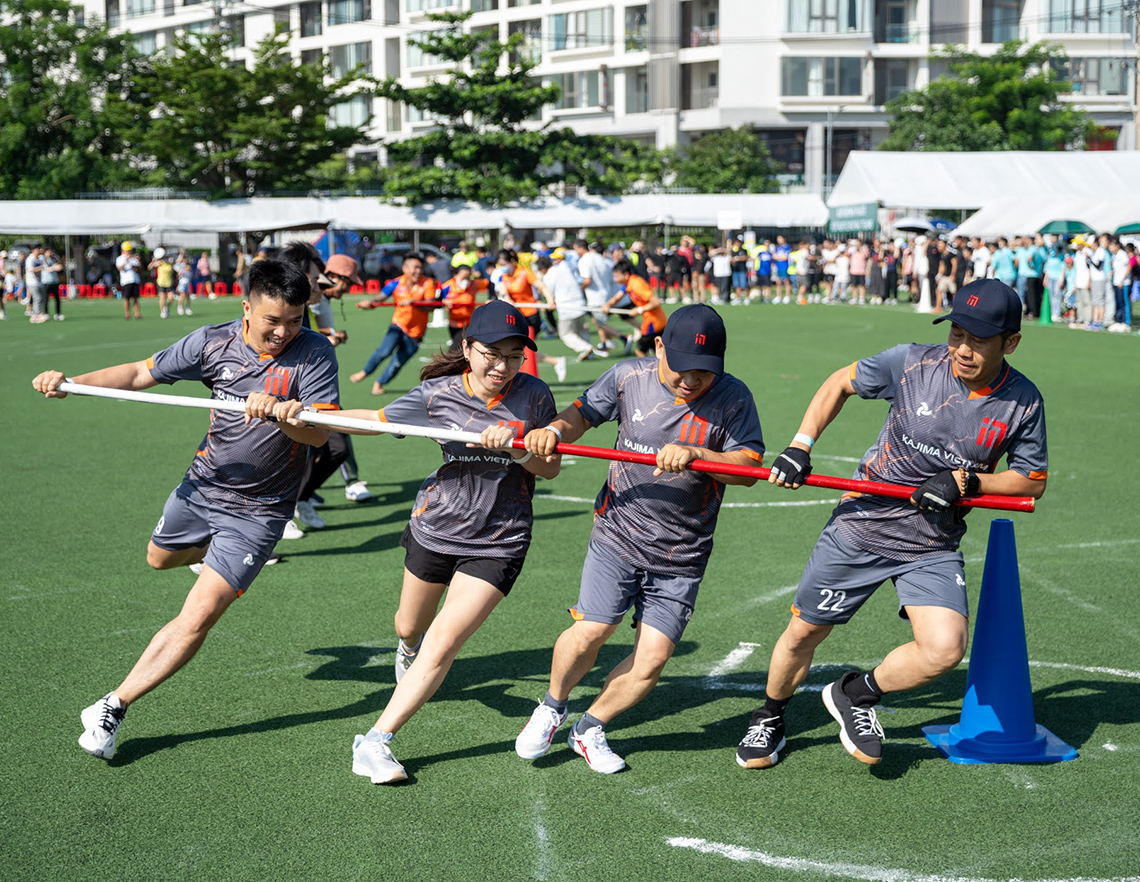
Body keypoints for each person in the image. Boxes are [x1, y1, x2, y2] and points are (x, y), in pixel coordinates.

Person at [32, 259, 340, 761]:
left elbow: (321, 433)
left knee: (198, 616)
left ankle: (113, 706)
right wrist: (70, 382)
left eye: (294, 320)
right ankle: (206, 555)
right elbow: (138, 372)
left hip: (262, 510)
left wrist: (287, 418)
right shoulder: (211, 343)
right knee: (158, 559)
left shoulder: (315, 352)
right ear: (247, 309)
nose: (283, 332)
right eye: (271, 321)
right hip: (203, 486)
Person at [735, 278, 1047, 771]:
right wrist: (800, 444)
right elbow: (840, 381)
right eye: (957, 334)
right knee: (803, 634)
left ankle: (855, 694)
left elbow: (1031, 481)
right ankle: (770, 715)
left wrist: (968, 483)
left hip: (933, 542)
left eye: (978, 340)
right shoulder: (911, 362)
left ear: (1011, 343)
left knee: (944, 649)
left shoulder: (1022, 402)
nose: (962, 350)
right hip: (863, 524)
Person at [514, 305, 765, 773]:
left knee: (652, 660)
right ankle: (551, 706)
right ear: (658, 348)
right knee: (591, 629)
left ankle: (589, 728)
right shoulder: (628, 377)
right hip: (619, 533)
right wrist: (551, 431)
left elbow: (750, 469)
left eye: (704, 372)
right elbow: (579, 417)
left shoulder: (733, 397)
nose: (692, 380)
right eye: (682, 367)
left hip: (683, 552)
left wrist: (698, 453)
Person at [345, 300, 561, 784]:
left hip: (500, 539)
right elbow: (376, 419)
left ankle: (375, 742)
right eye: (491, 353)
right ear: (467, 349)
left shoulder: (534, 396)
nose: (502, 367)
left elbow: (549, 467)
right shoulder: (435, 394)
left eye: (513, 356)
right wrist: (308, 413)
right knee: (409, 628)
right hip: (436, 527)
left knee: (442, 642)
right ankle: (407, 652)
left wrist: (518, 448)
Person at [351, 252, 438, 396]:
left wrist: (413, 302)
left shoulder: (427, 283)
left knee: (397, 363)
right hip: (398, 325)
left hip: (416, 334)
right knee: (384, 351)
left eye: (420, 268)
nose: (418, 271)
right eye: (415, 267)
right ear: (405, 268)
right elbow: (380, 297)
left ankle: (379, 383)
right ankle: (365, 372)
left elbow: (430, 306)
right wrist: (370, 303)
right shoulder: (396, 283)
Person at [495, 250, 567, 382]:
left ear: (512, 261)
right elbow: (504, 292)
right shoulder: (503, 276)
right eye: (499, 264)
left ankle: (552, 364)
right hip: (515, 317)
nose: (502, 267)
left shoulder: (525, 272)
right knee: (519, 351)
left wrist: (550, 300)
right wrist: (508, 300)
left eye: (504, 264)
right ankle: (556, 361)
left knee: (522, 350)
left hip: (530, 316)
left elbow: (542, 287)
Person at [534, 253, 596, 361]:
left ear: (542, 269)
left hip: (566, 307)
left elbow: (550, 294)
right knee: (581, 330)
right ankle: (589, 353)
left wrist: (548, 303)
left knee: (565, 333)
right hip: (579, 303)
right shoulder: (564, 267)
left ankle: (585, 348)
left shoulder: (549, 276)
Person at [603, 257, 667, 356]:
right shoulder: (628, 283)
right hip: (655, 321)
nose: (614, 279)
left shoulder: (637, 285)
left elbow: (656, 302)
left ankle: (652, 371)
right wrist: (607, 305)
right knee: (659, 351)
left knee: (640, 351)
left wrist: (639, 309)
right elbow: (617, 297)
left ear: (626, 275)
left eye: (616, 276)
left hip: (653, 322)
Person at [440, 263, 488, 350]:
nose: (466, 280)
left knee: (458, 347)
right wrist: (444, 301)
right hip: (454, 323)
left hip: (469, 323)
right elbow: (438, 299)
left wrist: (491, 298)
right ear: (456, 275)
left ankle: (448, 361)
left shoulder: (474, 284)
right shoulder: (448, 286)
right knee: (459, 348)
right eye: (463, 277)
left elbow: (489, 284)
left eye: (468, 277)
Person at [116, 242, 143, 320]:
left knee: (135, 298)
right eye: (127, 251)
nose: (128, 252)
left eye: (129, 251)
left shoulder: (133, 258)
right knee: (127, 298)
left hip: (135, 280)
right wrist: (126, 261)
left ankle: (137, 314)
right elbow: (119, 268)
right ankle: (127, 313)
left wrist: (137, 261)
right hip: (126, 281)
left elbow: (139, 267)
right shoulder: (120, 258)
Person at [40, 247, 65, 322]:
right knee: (45, 299)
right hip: (46, 282)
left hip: (54, 281)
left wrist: (57, 262)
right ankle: (46, 313)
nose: (50, 253)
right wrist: (54, 267)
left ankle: (58, 313)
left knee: (57, 299)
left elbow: (60, 266)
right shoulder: (42, 258)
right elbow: (46, 268)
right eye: (48, 252)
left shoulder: (54, 258)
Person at [150, 248, 175, 319]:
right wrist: (154, 261)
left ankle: (166, 308)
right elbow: (149, 267)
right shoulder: (159, 263)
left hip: (169, 282)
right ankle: (162, 311)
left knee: (171, 297)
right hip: (161, 282)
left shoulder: (170, 262)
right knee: (162, 296)